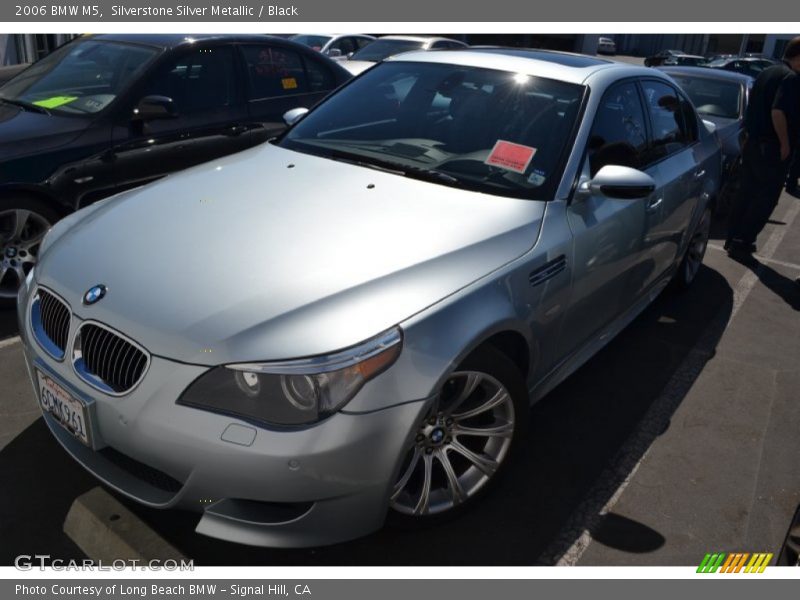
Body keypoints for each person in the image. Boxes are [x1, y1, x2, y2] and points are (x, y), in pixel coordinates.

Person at [725, 37, 800, 255]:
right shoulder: (791, 78)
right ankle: (743, 243)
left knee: (746, 193)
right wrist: (785, 143)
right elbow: (778, 112)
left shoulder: (767, 72)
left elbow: (752, 108)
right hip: (772, 149)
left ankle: (732, 238)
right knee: (765, 198)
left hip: (754, 144)